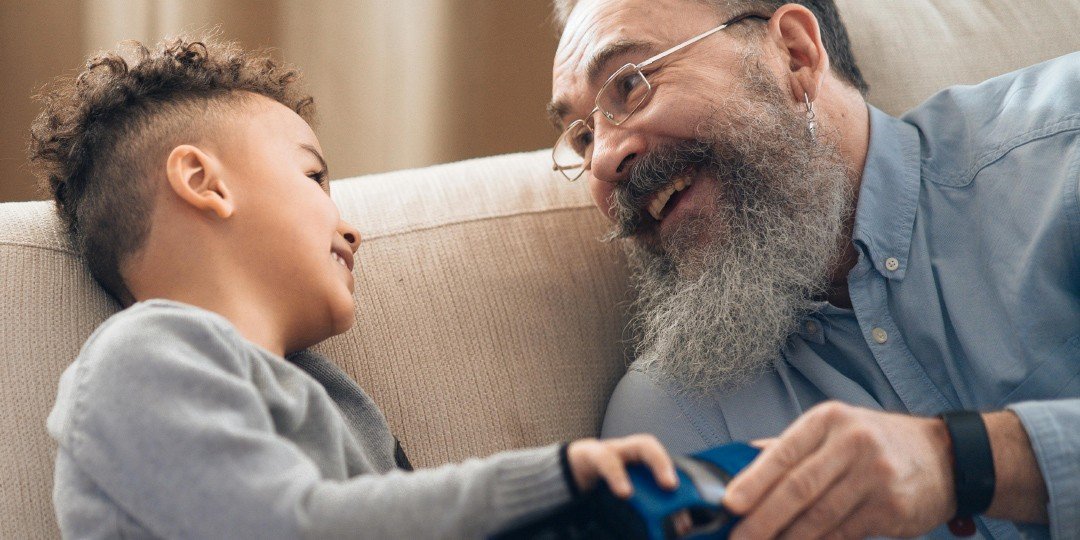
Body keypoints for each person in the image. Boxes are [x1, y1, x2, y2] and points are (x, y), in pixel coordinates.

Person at [34, 35, 680, 538]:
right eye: (313, 178)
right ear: (205, 183)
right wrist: (553, 481)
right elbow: (290, 528)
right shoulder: (143, 356)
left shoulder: (330, 394)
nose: (351, 229)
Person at [548, 0, 1078, 538]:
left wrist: (962, 463)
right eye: (583, 137)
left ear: (795, 54)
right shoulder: (673, 419)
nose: (604, 161)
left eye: (632, 84)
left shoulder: (1064, 147)